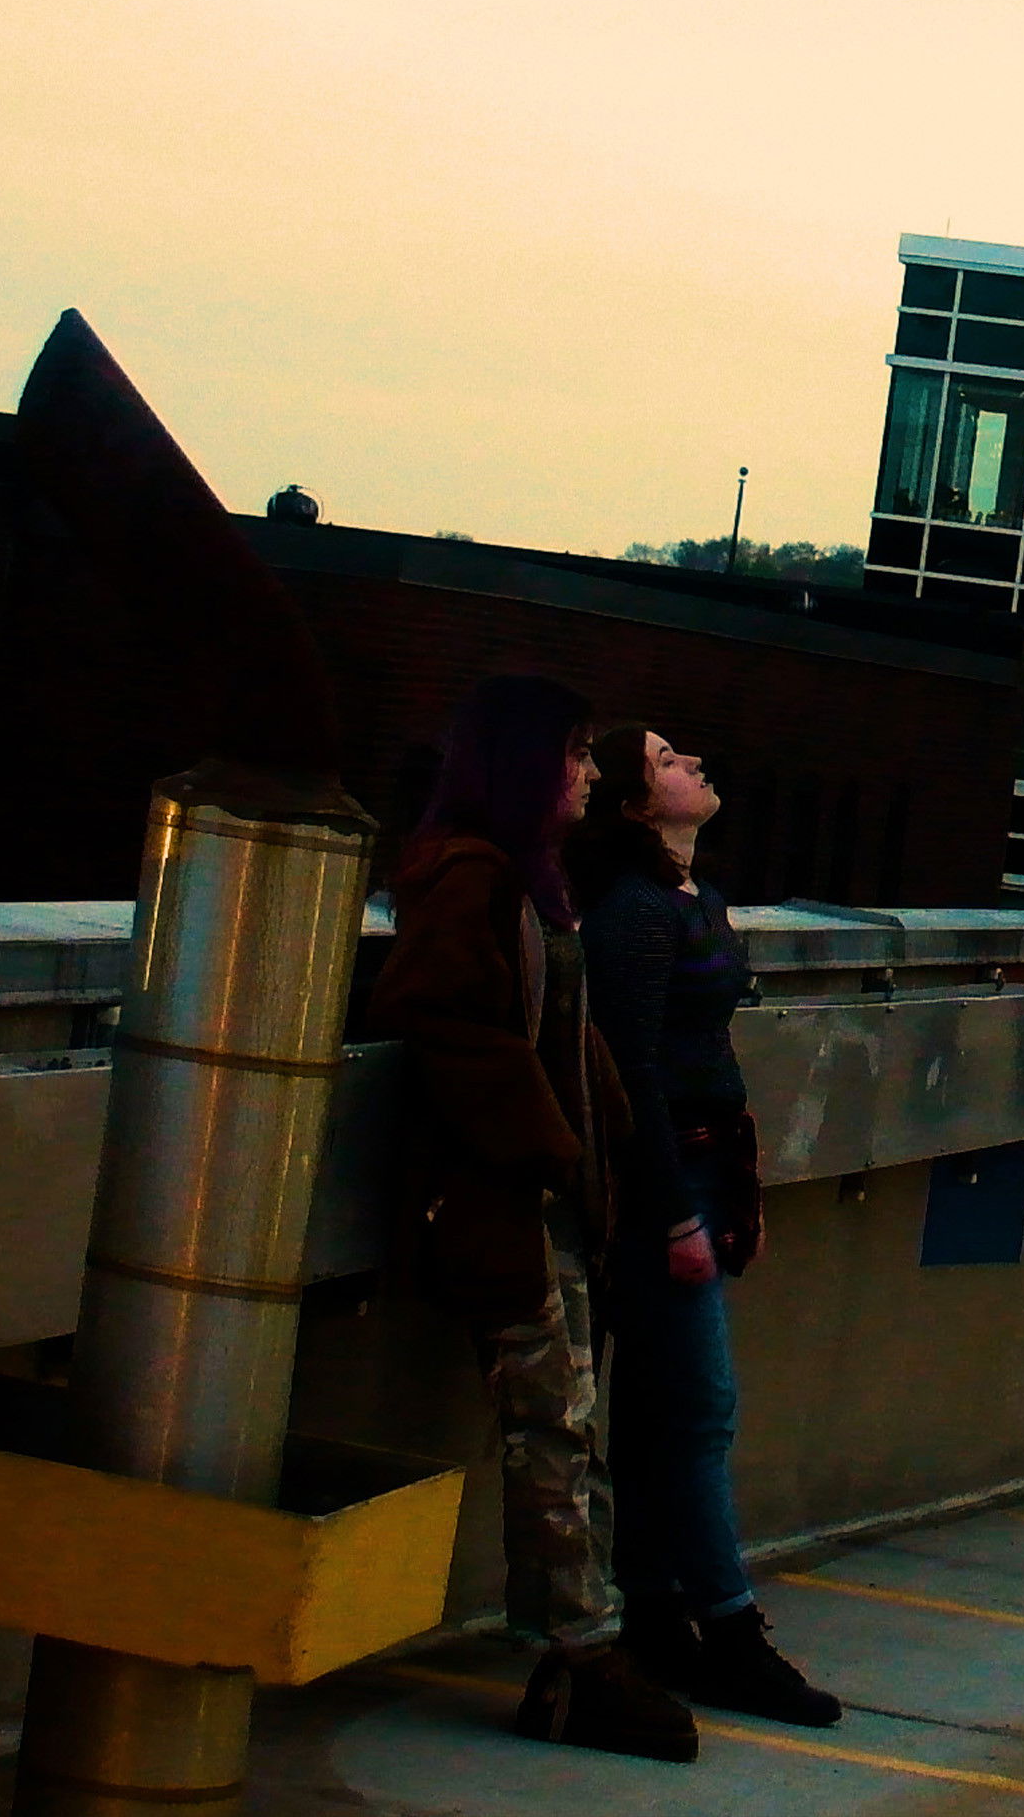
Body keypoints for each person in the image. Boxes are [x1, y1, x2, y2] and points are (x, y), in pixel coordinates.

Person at [367, 675, 699, 1763]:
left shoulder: (521, 877)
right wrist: (550, 1144)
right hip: (501, 1205)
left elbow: (552, 1030)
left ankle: (583, 1651)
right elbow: (442, 1018)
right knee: (552, 1426)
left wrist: (590, 1144)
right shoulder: (472, 878)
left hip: (540, 1200)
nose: (590, 774)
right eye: (575, 753)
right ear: (524, 764)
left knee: (570, 1425)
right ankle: (580, 1654)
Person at [571, 725, 843, 1726]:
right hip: (661, 1180)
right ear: (638, 804)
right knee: (697, 1409)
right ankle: (729, 1629)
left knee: (661, 1410)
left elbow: (706, 1050)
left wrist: (731, 1197)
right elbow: (631, 1070)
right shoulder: (636, 913)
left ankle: (654, 1613)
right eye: (666, 761)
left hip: (706, 1166)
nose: (691, 763)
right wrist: (677, 1211)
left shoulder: (698, 899)